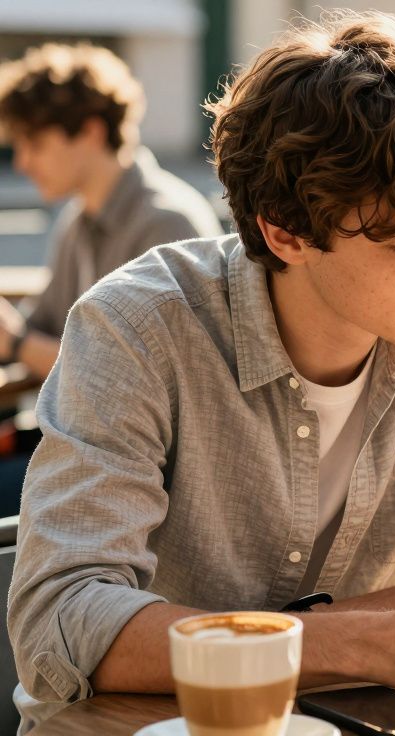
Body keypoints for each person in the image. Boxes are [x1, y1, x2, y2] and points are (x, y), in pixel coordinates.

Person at [8, 12, 395, 729]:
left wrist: (350, 639)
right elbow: (60, 624)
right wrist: (364, 642)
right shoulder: (135, 328)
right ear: (285, 231)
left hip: (346, 717)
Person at [0, 44, 223, 514]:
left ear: (90, 132)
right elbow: (37, 329)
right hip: (82, 444)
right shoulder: (78, 222)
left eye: (34, 143)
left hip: (141, 471)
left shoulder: (167, 224)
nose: (21, 162)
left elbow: (142, 385)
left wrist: (17, 344)